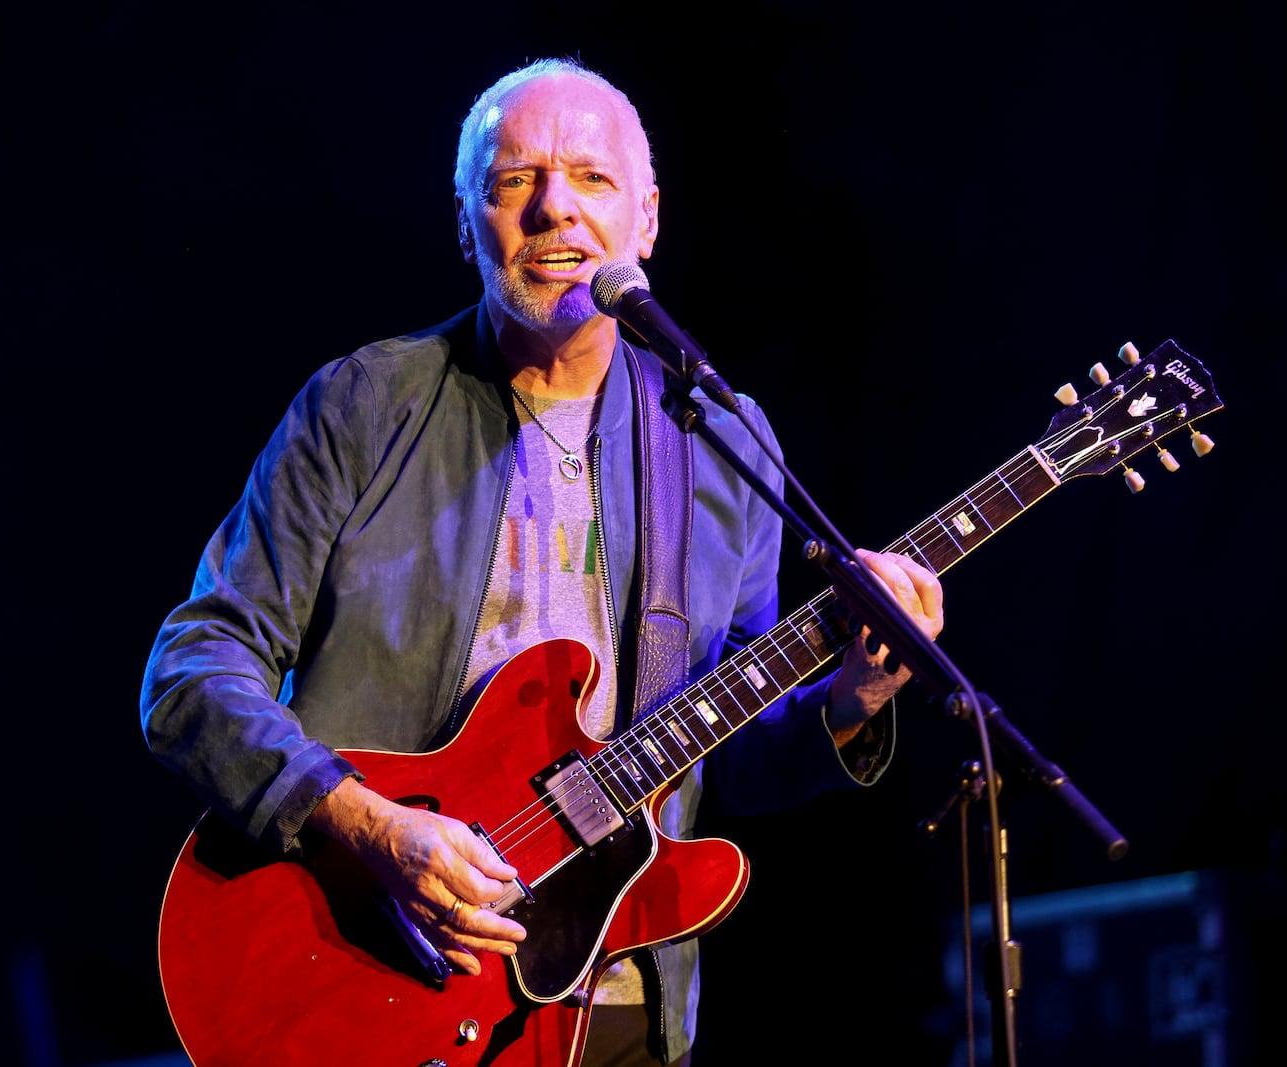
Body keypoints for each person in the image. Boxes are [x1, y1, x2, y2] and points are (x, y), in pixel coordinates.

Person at [141, 56, 945, 1067]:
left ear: (645, 220)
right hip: (367, 982)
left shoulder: (723, 441)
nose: (554, 210)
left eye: (591, 180)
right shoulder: (362, 405)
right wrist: (368, 825)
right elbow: (191, 669)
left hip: (609, 1004)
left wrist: (853, 695)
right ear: (465, 221)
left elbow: (727, 752)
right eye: (514, 180)